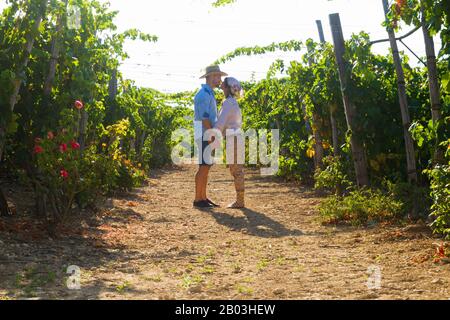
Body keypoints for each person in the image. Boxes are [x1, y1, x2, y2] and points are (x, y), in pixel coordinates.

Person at [193, 65, 228, 208]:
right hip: (204, 133)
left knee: (206, 166)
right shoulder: (203, 94)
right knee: (203, 167)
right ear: (208, 77)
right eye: (216, 76)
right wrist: (211, 134)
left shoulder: (209, 94)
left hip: (206, 133)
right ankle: (198, 199)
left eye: (219, 76)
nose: (219, 79)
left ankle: (203, 197)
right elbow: (204, 118)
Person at [214, 77, 245, 208]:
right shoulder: (233, 102)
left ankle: (240, 201)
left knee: (236, 169)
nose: (222, 88)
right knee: (236, 168)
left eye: (224, 86)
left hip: (233, 137)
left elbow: (221, 122)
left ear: (228, 88)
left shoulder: (228, 103)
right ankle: (240, 199)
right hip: (237, 135)